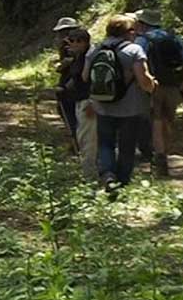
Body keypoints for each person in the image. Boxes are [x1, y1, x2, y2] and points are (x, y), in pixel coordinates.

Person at [85, 13, 157, 195]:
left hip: (103, 106)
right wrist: (153, 86)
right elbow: (143, 80)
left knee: (105, 144)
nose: (135, 33)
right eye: (133, 30)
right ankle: (122, 183)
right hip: (131, 108)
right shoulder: (134, 50)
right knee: (127, 146)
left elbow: (85, 77)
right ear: (128, 32)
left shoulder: (96, 50)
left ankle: (108, 175)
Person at [134, 8, 183, 177]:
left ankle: (160, 159)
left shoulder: (142, 40)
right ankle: (166, 153)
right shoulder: (173, 38)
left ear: (142, 23)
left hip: (153, 85)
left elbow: (137, 62)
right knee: (168, 120)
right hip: (174, 85)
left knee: (156, 120)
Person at [61, 27, 98, 180]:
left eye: (72, 42)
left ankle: (90, 176)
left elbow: (92, 81)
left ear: (81, 42)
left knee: (88, 141)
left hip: (87, 103)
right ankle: (89, 172)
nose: (69, 45)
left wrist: (93, 102)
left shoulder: (89, 57)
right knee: (83, 138)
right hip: (79, 102)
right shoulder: (79, 57)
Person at [53, 16, 79, 143]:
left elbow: (73, 61)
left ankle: (76, 142)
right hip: (70, 81)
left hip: (71, 82)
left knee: (70, 113)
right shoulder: (73, 43)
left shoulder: (71, 44)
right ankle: (75, 140)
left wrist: (61, 66)